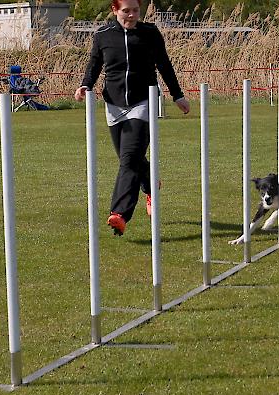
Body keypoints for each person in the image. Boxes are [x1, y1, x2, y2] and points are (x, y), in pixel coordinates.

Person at [75, 0, 190, 236]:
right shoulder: (103, 35)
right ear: (114, 10)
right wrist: (85, 85)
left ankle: (119, 215)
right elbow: (95, 64)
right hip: (114, 104)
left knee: (128, 159)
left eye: (136, 10)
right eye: (126, 11)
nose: (131, 15)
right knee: (131, 159)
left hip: (143, 102)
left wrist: (177, 95)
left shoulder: (150, 33)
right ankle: (151, 185)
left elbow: (164, 64)